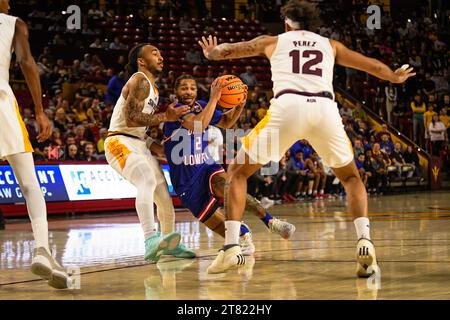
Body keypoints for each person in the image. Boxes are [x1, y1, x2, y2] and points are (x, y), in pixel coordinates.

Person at [199, 0, 415, 276]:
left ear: (287, 22)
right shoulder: (331, 45)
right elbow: (371, 66)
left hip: (287, 107)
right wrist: (395, 78)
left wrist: (212, 53)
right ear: (312, 23)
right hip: (324, 109)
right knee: (351, 178)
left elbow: (230, 51)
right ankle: (364, 240)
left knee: (237, 173)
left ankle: (231, 246)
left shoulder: (273, 40)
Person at [162, 75, 296, 255]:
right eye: (184, 88)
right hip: (186, 180)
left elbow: (226, 122)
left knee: (230, 186)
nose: (189, 92)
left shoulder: (202, 106)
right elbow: (199, 125)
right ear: (175, 91)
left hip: (206, 167)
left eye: (192, 88)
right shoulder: (175, 110)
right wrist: (214, 98)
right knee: (218, 225)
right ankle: (242, 235)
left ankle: (271, 221)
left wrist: (239, 107)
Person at [0, 0, 70, 289]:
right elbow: (26, 62)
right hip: (1, 102)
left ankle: (48, 256)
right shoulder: (13, 23)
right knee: (29, 185)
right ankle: (42, 249)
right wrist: (40, 112)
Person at [104, 43, 194, 262]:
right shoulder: (139, 80)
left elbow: (140, 130)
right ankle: (149, 239)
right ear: (141, 61)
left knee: (163, 195)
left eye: (161, 53)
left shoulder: (154, 89)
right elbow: (130, 118)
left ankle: (169, 242)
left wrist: (158, 148)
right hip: (119, 140)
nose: (160, 57)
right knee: (146, 179)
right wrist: (166, 117)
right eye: (154, 53)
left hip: (139, 143)